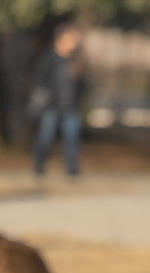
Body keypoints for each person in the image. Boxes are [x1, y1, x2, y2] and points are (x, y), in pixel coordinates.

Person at [29, 23, 85, 177]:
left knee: (72, 139)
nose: (74, 42)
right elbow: (40, 80)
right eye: (71, 38)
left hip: (71, 107)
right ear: (60, 39)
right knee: (45, 138)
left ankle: (72, 170)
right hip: (51, 106)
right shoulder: (49, 58)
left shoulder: (76, 60)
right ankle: (39, 166)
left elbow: (82, 83)